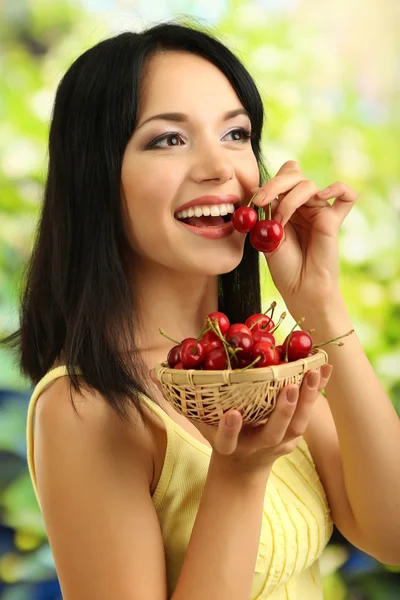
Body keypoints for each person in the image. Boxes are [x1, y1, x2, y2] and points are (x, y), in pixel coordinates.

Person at [2, 19, 400, 600]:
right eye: (168, 139)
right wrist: (238, 475)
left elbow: (391, 532)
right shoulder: (84, 407)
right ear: (97, 179)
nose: (222, 168)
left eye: (236, 134)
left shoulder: (262, 357)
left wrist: (320, 305)